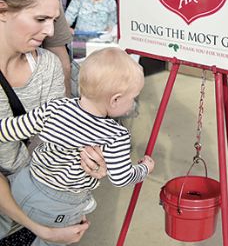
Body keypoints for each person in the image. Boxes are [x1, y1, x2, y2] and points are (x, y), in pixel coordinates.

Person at [0, 47, 154, 246]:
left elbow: (10, 130)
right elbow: (121, 178)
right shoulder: (116, 135)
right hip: (58, 205)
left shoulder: (55, 107)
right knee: (51, 242)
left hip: (22, 184)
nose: (133, 102)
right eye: (132, 97)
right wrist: (144, 169)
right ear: (115, 100)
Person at [0, 0, 106, 244]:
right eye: (40, 19)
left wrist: (90, 166)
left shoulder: (47, 65)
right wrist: (40, 228)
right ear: (3, 10)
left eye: (54, 20)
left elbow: (57, 137)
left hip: (38, 197)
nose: (49, 31)